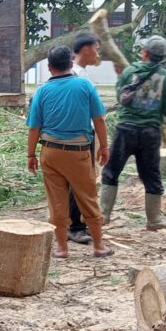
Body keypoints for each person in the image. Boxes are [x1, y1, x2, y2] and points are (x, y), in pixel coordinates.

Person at [26, 44, 111, 259]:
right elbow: (99, 119)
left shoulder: (42, 91)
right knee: (87, 197)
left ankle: (62, 248)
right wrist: (104, 147)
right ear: (71, 64)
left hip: (51, 152)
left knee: (57, 200)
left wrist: (30, 155)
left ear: (49, 67)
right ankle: (99, 247)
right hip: (79, 152)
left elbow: (34, 127)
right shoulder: (85, 86)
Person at [100, 35, 166, 230]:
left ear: (144, 53)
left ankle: (103, 215)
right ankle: (154, 221)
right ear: (163, 57)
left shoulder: (129, 72)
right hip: (150, 133)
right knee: (151, 175)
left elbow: (120, 96)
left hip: (125, 129)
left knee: (112, 171)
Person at [67, 32, 101, 244]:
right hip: (78, 136)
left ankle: (76, 222)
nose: (98, 54)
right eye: (96, 49)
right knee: (78, 182)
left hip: (82, 134)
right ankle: (74, 226)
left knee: (82, 182)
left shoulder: (79, 73)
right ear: (86, 49)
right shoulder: (75, 76)